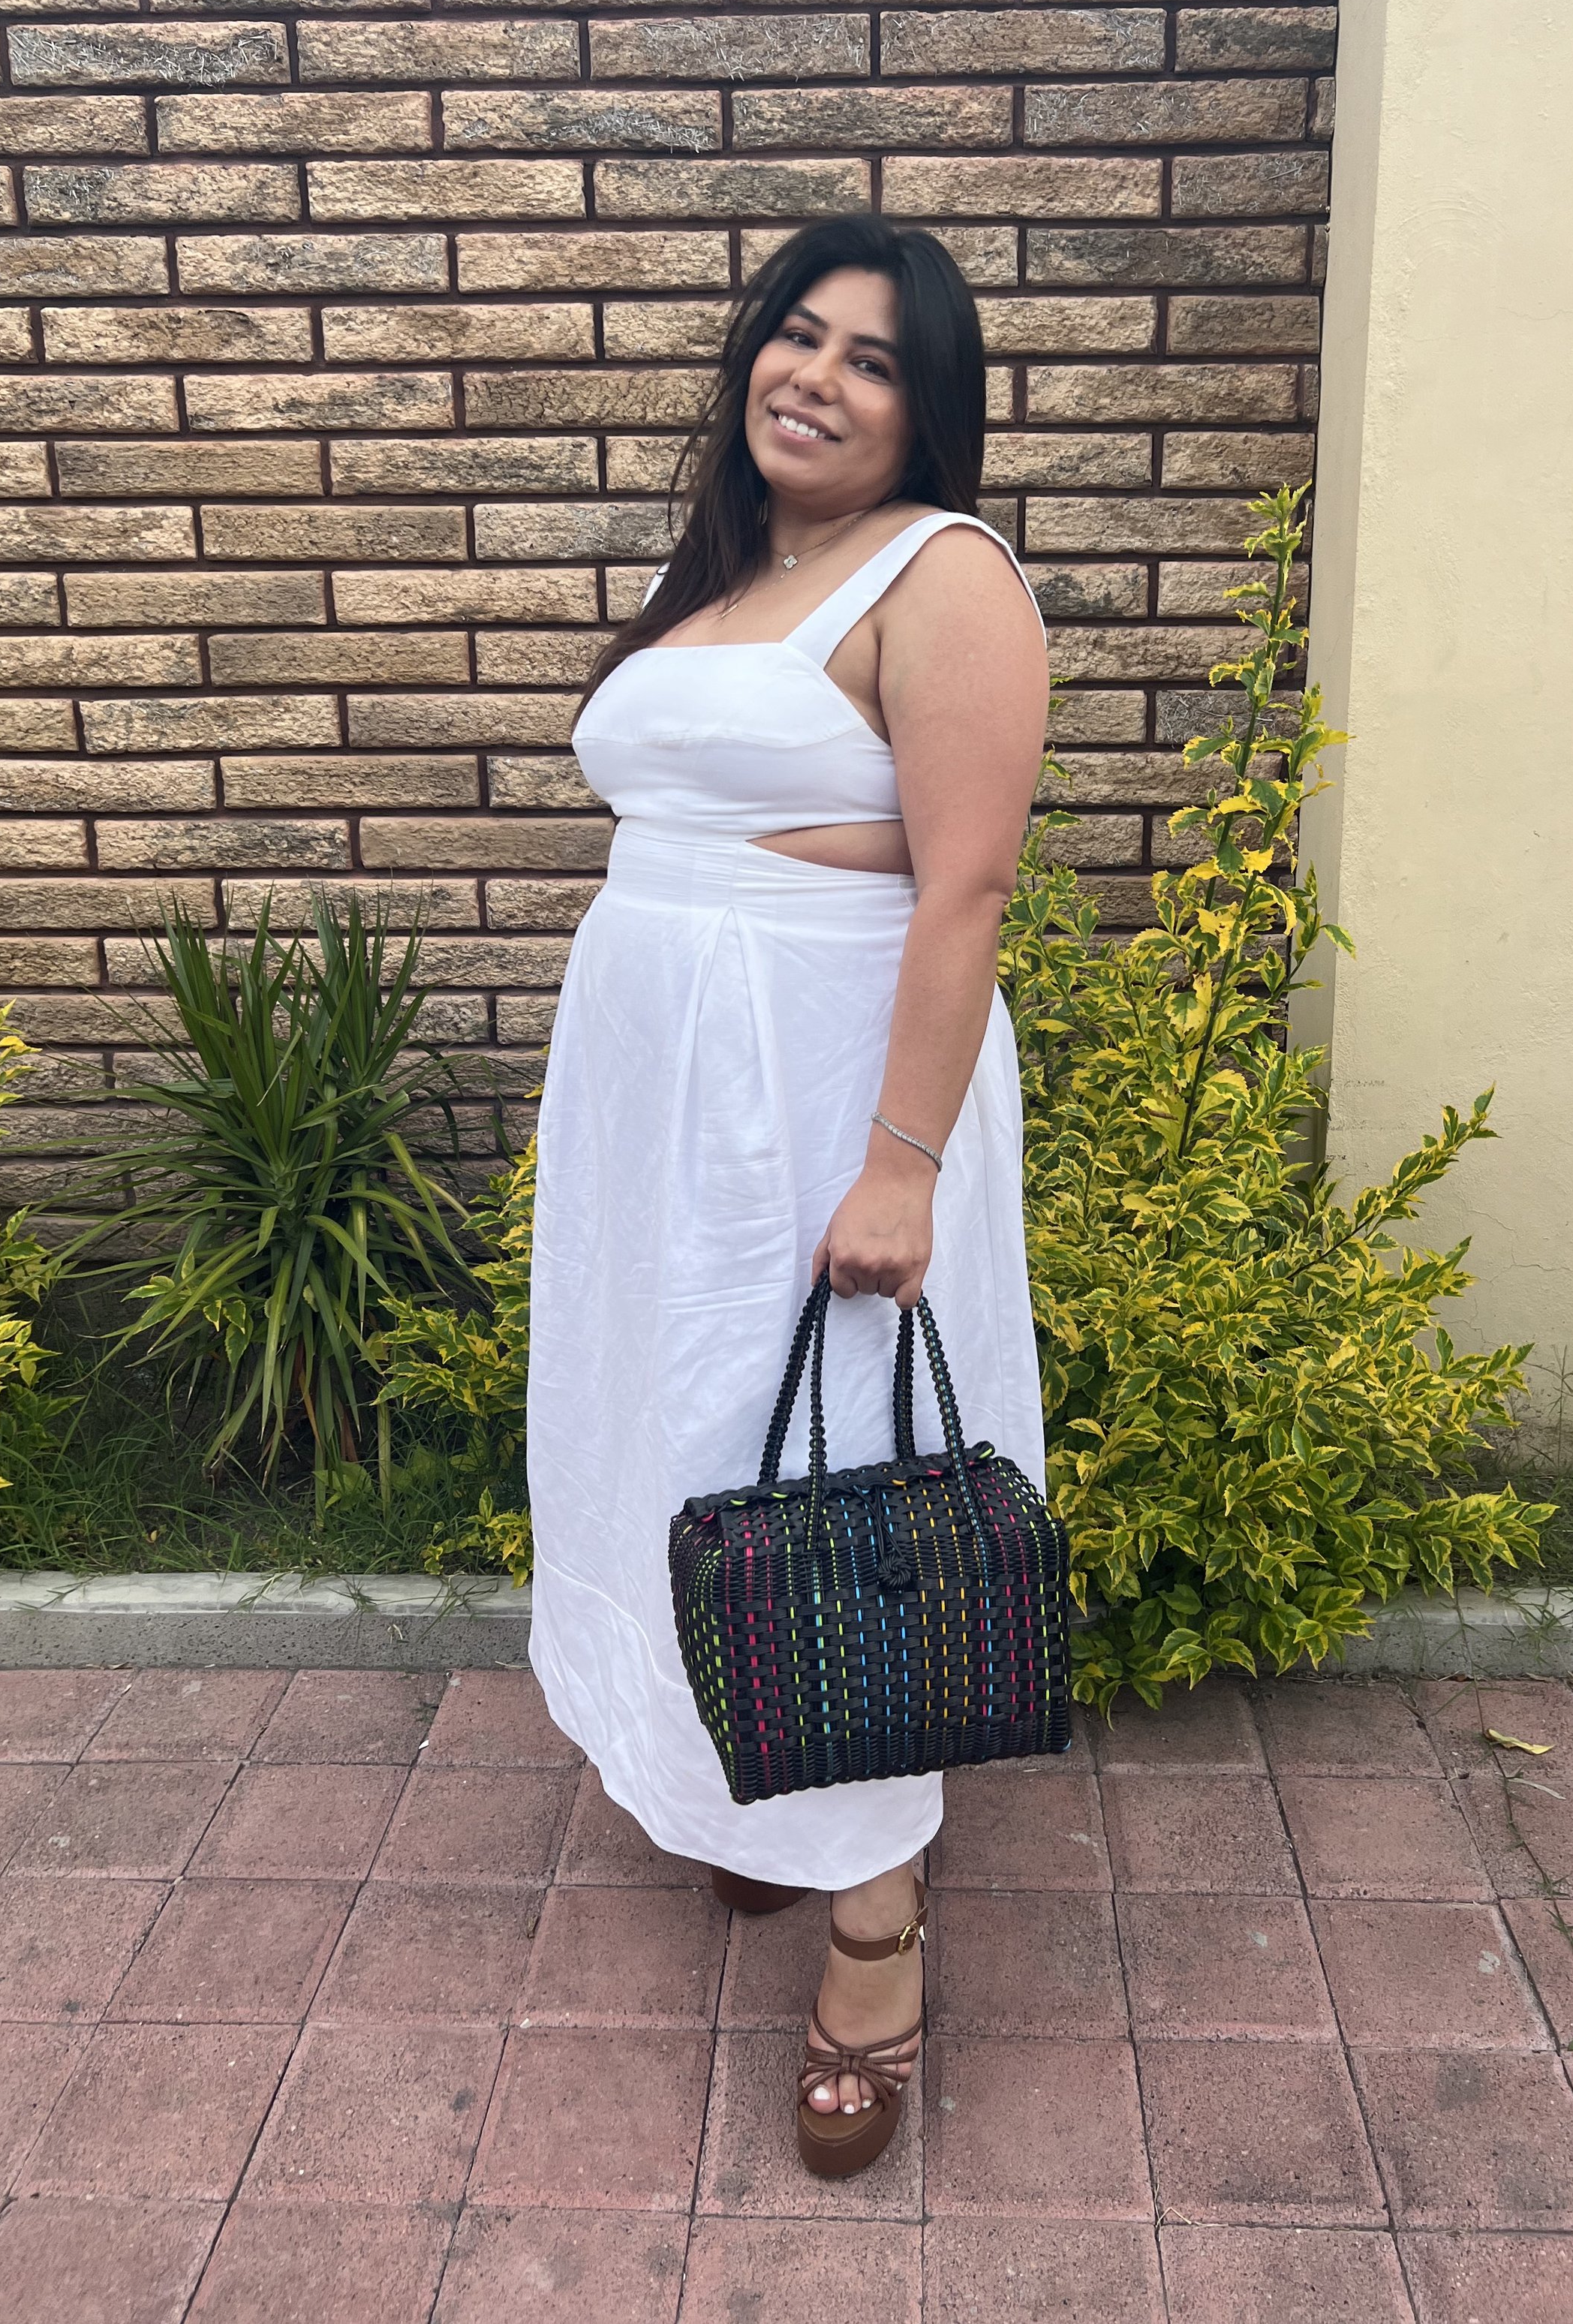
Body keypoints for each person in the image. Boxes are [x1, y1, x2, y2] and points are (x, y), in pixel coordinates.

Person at [525, 213, 1050, 2176]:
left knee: (845, 1489)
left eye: (869, 356)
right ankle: (755, 1779)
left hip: (823, 1098)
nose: (809, 375)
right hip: (669, 1111)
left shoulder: (943, 573)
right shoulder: (740, 574)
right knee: (673, 1444)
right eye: (791, 333)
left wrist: (898, 1165)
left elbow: (964, 888)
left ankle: (876, 1931)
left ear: (928, 408)